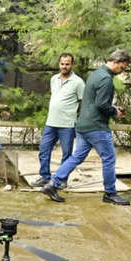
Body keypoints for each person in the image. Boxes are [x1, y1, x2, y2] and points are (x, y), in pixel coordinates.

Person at [42, 50, 131, 205]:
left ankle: (53, 183)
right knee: (109, 158)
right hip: (96, 126)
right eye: (123, 68)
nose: (122, 71)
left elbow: (93, 101)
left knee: (77, 157)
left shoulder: (96, 74)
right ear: (116, 62)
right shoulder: (106, 79)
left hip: (83, 124)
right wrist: (115, 112)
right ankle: (110, 193)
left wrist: (111, 107)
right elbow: (102, 104)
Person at [33, 53, 85, 188]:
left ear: (72, 65)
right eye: (62, 63)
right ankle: (45, 177)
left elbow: (82, 102)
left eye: (67, 64)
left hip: (67, 124)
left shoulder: (78, 82)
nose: (64, 66)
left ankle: (62, 180)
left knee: (66, 154)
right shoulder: (54, 79)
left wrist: (76, 116)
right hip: (51, 122)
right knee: (44, 150)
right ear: (59, 64)